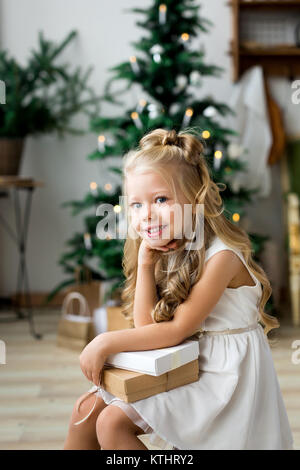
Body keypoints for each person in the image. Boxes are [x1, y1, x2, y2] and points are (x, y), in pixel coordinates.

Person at [63, 128, 294, 450]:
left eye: (160, 199)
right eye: (136, 205)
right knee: (84, 413)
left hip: (223, 375)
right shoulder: (168, 248)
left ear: (195, 197)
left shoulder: (223, 256)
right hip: (184, 360)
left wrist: (105, 341)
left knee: (112, 422)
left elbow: (175, 330)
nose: (147, 216)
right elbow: (149, 329)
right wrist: (145, 264)